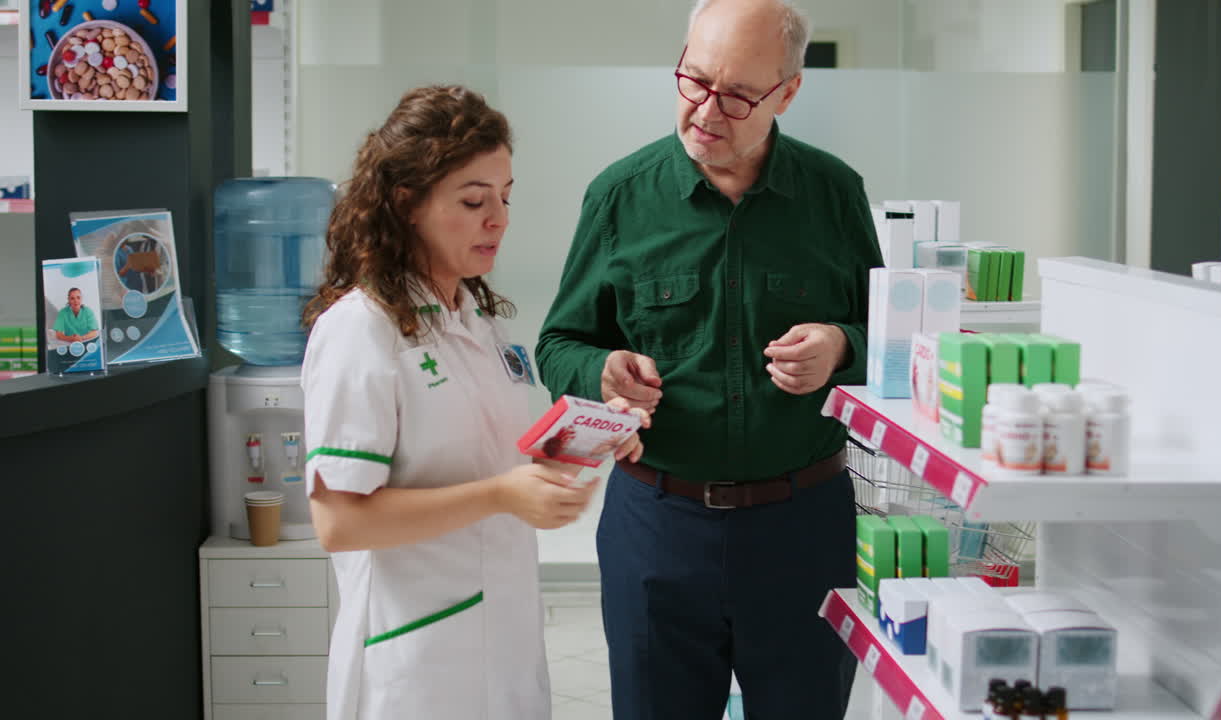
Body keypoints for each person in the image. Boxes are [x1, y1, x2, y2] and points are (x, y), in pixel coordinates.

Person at [535, 1, 884, 718]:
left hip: (803, 528)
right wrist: (602, 371)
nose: (704, 110)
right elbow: (559, 344)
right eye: (694, 80)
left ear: (788, 91)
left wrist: (841, 347)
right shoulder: (619, 196)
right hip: (657, 526)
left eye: (737, 95)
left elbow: (892, 339)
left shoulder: (834, 193)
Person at [299, 85, 648, 720]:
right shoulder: (360, 329)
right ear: (406, 202)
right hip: (416, 670)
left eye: (505, 197)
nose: (499, 219)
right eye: (473, 200)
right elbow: (339, 522)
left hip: (503, 648)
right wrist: (501, 497)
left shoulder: (478, 323)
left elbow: (506, 465)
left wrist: (597, 432)